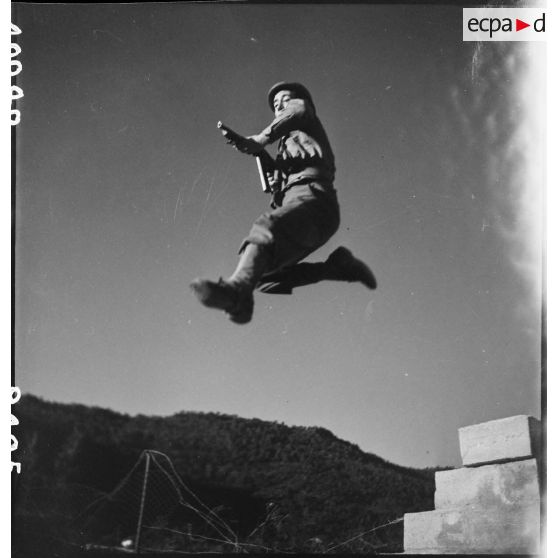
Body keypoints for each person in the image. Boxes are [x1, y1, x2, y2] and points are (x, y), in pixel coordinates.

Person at [190, 81, 376, 324]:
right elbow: (276, 177)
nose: (280, 107)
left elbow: (296, 111)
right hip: (310, 211)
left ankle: (237, 293)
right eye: (276, 105)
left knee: (267, 227)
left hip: (315, 199)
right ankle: (336, 268)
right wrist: (258, 153)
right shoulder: (287, 145)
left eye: (283, 101)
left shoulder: (304, 115)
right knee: (265, 277)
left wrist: (259, 139)